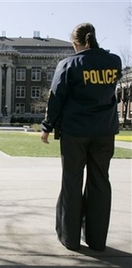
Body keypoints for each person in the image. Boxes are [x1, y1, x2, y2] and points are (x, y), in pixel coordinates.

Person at [40, 23, 122, 251]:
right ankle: (97, 240)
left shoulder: (69, 64)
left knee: (72, 183)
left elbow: (56, 97)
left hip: (75, 132)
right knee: (100, 183)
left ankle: (70, 238)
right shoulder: (114, 62)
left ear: (76, 43)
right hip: (104, 132)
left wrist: (47, 126)